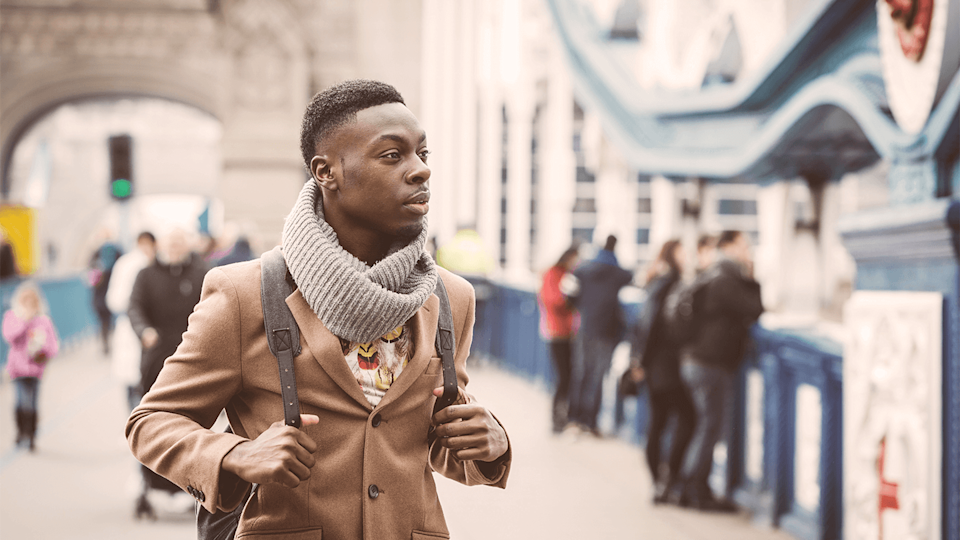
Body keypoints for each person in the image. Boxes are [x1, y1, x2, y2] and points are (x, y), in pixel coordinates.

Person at [126, 79, 511, 540]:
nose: (419, 171)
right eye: (393, 155)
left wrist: (491, 443)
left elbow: (434, 440)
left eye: (422, 155)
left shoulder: (451, 297)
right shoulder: (243, 295)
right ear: (326, 172)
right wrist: (233, 456)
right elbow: (150, 423)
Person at [675, 230, 763, 510]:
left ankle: (689, 486)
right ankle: (695, 488)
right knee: (710, 427)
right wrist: (752, 274)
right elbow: (755, 307)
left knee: (705, 424)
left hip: (693, 359)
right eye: (744, 245)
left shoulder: (710, 274)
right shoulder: (728, 278)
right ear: (730, 247)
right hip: (710, 363)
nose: (748, 250)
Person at [127, 227, 208, 516]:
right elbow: (134, 307)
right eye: (170, 242)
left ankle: (187, 486)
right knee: (151, 423)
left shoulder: (202, 273)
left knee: (191, 424)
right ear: (161, 246)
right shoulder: (145, 275)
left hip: (192, 360)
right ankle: (148, 482)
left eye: (179, 242)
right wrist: (144, 331)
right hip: (156, 359)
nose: (175, 247)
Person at [626, 240, 696, 503]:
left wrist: (638, 361)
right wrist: (639, 362)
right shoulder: (670, 282)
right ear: (672, 255)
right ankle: (668, 479)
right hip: (664, 365)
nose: (686, 257)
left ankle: (660, 482)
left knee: (659, 423)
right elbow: (652, 325)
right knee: (684, 418)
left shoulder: (656, 281)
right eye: (682, 251)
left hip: (654, 365)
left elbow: (641, 325)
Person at [567, 234, 633, 436]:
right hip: (607, 330)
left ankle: (574, 419)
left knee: (580, 373)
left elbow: (569, 296)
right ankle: (591, 421)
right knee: (597, 376)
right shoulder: (620, 273)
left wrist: (582, 309)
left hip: (585, 327)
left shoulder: (582, 270)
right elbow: (633, 279)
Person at [3, 282, 60, 452]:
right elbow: (9, 336)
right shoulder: (12, 316)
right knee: (21, 401)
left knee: (33, 403)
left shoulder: (43, 321)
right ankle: (21, 432)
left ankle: (31, 435)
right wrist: (25, 321)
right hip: (18, 368)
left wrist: (43, 351)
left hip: (35, 368)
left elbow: (53, 345)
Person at [106, 231, 156, 411]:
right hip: (137, 326)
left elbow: (112, 299)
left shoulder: (124, 263)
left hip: (135, 325)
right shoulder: (142, 264)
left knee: (134, 379)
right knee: (140, 379)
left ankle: (133, 423)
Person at [538, 245, 580, 433]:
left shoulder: (568, 274)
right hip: (557, 332)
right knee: (563, 377)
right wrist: (569, 300)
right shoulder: (553, 274)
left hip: (570, 332)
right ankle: (557, 418)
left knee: (570, 376)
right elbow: (553, 300)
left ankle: (566, 416)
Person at [89, 235, 123, 355]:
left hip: (98, 293)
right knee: (111, 319)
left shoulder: (96, 253)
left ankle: (105, 344)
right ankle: (111, 342)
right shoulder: (118, 252)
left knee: (102, 321)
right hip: (112, 291)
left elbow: (89, 270)